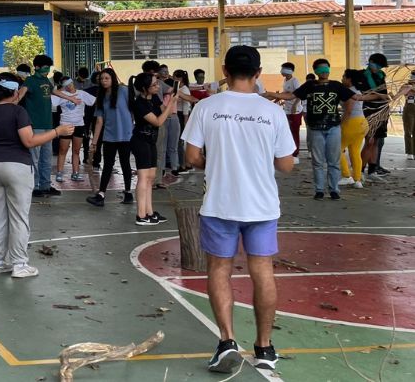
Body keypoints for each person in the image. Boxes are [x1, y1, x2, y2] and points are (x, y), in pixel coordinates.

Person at [181, 45, 294, 373]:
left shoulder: (206, 107)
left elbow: (192, 156)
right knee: (263, 271)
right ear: (258, 74)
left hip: (220, 203)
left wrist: (216, 162)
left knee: (219, 269)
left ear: (225, 72)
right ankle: (265, 347)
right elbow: (286, 164)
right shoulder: (272, 112)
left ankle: (227, 342)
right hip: (262, 206)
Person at [0, 76, 74, 279]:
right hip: (17, 167)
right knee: (19, 217)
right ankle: (20, 264)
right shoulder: (18, 112)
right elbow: (29, 141)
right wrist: (57, 131)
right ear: (15, 93)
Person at [264, 58, 357, 200]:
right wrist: (272, 94)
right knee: (318, 161)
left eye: (326, 69)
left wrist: (378, 96)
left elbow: (355, 97)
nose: (324, 72)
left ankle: (334, 190)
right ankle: (319, 190)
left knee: (333, 161)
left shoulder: (336, 85)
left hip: (333, 128)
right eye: (321, 69)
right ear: (316, 71)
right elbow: (291, 96)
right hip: (315, 128)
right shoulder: (309, 85)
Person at [131, 72, 175, 225]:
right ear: (144, 88)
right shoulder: (139, 103)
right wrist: (171, 104)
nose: (158, 87)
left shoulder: (154, 98)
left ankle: (149, 212)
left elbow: (164, 112)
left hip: (151, 141)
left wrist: (168, 104)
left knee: (150, 178)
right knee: (143, 177)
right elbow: (157, 121)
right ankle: (140, 215)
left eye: (157, 83)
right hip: (140, 141)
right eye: (154, 85)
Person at [88, 68, 133, 207]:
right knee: (107, 165)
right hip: (109, 136)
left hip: (126, 135)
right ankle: (101, 194)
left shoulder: (124, 91)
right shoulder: (101, 97)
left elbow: (133, 109)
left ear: (113, 78)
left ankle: (128, 192)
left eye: (106, 78)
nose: (104, 81)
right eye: (101, 79)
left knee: (126, 164)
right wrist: (94, 143)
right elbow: (99, 121)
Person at [21, 55, 59, 196]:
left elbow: (55, 91)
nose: (47, 71)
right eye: (44, 68)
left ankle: (46, 185)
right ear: (36, 67)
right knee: (34, 158)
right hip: (35, 125)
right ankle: (34, 186)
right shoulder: (30, 80)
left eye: (48, 69)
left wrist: (71, 98)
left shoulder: (46, 81)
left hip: (48, 125)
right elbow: (20, 94)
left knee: (46, 158)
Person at [51, 79, 95, 183]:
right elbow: (52, 94)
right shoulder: (61, 94)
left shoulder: (81, 93)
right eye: (65, 84)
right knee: (63, 150)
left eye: (70, 83)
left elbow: (93, 101)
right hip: (65, 125)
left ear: (73, 82)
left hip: (79, 125)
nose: (69, 86)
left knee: (76, 151)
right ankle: (59, 173)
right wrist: (62, 91)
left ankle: (75, 173)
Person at [337, 70, 370, 189]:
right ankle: (357, 179)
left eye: (344, 77)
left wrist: (341, 124)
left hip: (352, 122)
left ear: (349, 79)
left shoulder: (350, 92)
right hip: (362, 122)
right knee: (355, 152)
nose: (342, 79)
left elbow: (349, 111)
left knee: (337, 149)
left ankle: (346, 176)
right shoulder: (357, 90)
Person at [360, 53, 391, 179]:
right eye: (377, 65)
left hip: (382, 110)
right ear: (371, 62)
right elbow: (364, 94)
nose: (378, 68)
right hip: (369, 111)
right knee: (370, 141)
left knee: (377, 141)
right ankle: (360, 171)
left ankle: (372, 171)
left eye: (380, 67)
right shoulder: (362, 75)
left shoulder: (381, 75)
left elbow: (384, 93)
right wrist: (379, 96)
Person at [279, 63, 303, 162]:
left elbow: (300, 94)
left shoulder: (295, 81)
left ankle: (295, 153)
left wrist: (295, 105)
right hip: (287, 110)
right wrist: (278, 98)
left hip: (295, 111)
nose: (281, 71)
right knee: (287, 132)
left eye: (283, 69)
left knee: (294, 132)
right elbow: (286, 93)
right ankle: (289, 152)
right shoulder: (285, 80)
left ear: (289, 70)